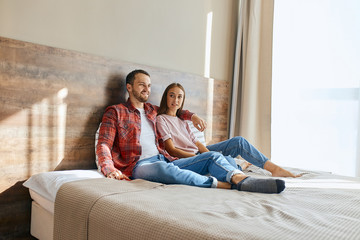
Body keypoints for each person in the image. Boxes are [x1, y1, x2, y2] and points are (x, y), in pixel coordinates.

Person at [96, 69, 285, 194]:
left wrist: (192, 116)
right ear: (129, 87)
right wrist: (109, 169)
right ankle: (222, 184)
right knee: (165, 170)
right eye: (141, 85)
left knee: (211, 157)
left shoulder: (153, 111)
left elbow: (177, 111)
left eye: (149, 85)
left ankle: (241, 179)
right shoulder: (116, 112)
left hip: (165, 158)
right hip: (138, 165)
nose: (147, 89)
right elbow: (103, 143)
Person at [155, 83, 300, 192]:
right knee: (222, 160)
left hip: (198, 153)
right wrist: (201, 156)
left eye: (180, 96)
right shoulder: (161, 119)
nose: (176, 100)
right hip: (187, 157)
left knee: (239, 142)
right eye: (172, 95)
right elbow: (171, 149)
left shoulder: (183, 121)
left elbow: (197, 142)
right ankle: (238, 168)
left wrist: (206, 153)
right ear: (165, 97)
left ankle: (273, 168)